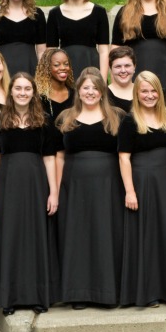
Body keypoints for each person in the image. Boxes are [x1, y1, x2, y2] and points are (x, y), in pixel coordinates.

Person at [0, 73, 59, 316]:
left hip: (37, 184)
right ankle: (9, 297)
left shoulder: (45, 121)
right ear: (11, 91)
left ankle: (37, 295)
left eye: (28, 88)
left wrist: (53, 192)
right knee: (10, 237)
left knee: (35, 236)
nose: (23, 92)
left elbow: (50, 159)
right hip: (7, 186)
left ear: (34, 92)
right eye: (18, 88)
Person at [55, 69, 125, 309]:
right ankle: (79, 293)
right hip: (74, 185)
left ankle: (108, 293)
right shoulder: (65, 117)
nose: (90, 92)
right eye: (86, 88)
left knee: (106, 233)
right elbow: (59, 157)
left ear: (102, 91)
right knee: (78, 236)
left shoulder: (117, 116)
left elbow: (126, 155)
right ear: (78, 91)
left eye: (95, 88)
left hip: (109, 185)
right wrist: (56, 189)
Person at [118, 71, 166, 307]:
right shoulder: (129, 120)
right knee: (148, 235)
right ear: (136, 93)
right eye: (144, 91)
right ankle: (148, 291)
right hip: (143, 182)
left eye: (153, 90)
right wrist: (130, 191)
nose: (149, 95)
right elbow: (124, 158)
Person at [46, 0, 110, 79]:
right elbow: (50, 51)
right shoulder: (54, 13)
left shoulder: (99, 12)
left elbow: (104, 51)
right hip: (64, 69)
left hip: (91, 67)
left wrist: (103, 80)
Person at [36, 48, 75, 121]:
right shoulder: (38, 97)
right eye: (57, 65)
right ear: (47, 68)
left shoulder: (75, 95)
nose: (63, 68)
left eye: (66, 64)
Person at [107, 46, 137, 112]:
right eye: (118, 66)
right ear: (110, 69)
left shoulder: (143, 92)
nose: (123, 70)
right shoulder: (104, 95)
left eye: (127, 66)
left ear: (134, 67)